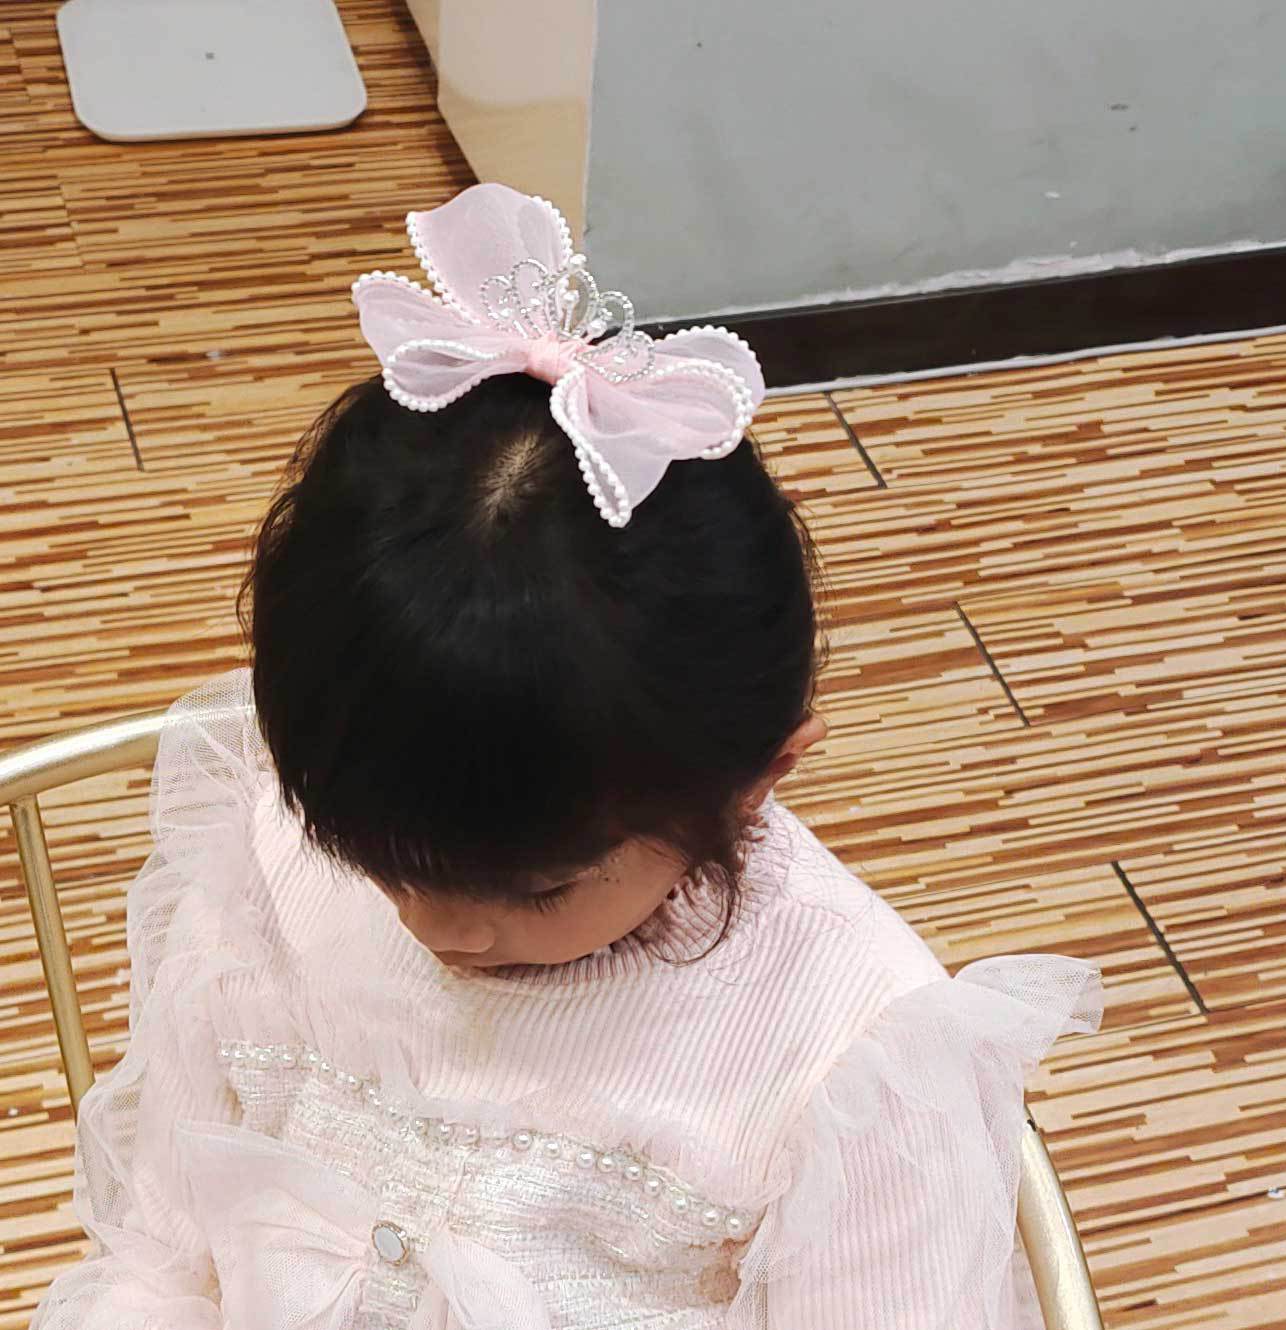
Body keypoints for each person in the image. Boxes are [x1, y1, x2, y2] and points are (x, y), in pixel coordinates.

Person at [30, 183, 1101, 1330]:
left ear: (756, 781)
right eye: (377, 865)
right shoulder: (276, 863)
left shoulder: (845, 1055)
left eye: (539, 891)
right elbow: (169, 1242)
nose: (438, 930)